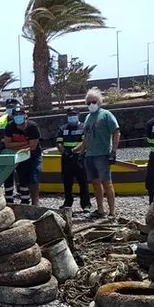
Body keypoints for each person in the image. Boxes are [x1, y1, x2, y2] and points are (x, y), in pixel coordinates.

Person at [73, 88, 121, 218]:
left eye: (93, 101)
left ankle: (112, 211)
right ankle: (100, 209)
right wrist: (81, 152)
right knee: (95, 183)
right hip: (90, 155)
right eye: (88, 103)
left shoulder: (106, 114)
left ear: (99, 101)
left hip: (102, 154)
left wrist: (113, 151)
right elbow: (86, 138)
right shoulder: (88, 117)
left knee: (107, 182)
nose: (91, 105)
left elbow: (116, 132)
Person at [2, 105, 42, 206]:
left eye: (20, 115)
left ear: (25, 116)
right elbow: (7, 145)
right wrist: (26, 143)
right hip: (19, 156)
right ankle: (16, 201)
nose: (18, 117)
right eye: (16, 115)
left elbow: (33, 147)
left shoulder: (32, 126)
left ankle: (35, 202)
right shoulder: (10, 127)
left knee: (34, 177)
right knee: (21, 177)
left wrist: (16, 145)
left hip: (33, 156)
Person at [56, 108, 91, 211]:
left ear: (78, 115)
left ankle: (86, 205)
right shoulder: (62, 128)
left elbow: (84, 142)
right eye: (70, 115)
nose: (72, 116)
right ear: (67, 116)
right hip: (66, 159)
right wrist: (64, 151)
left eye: (74, 114)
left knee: (83, 182)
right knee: (67, 182)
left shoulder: (84, 127)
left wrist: (73, 150)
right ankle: (68, 203)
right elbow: (58, 142)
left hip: (79, 158)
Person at [0, 97, 21, 201]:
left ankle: (24, 197)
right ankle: (9, 198)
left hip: (19, 150)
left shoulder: (21, 118)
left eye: (13, 106)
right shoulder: (2, 119)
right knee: (7, 175)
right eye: (9, 107)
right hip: (5, 151)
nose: (11, 108)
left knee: (21, 175)